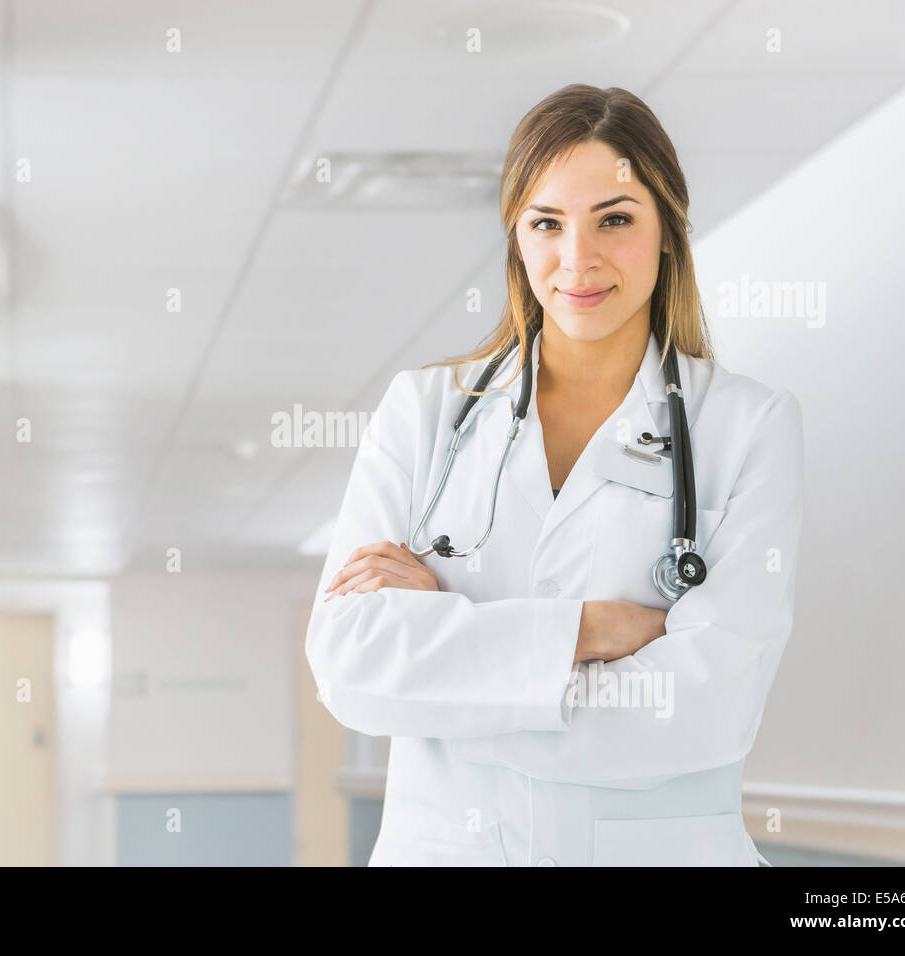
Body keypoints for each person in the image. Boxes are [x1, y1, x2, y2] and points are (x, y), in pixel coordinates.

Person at [303, 84, 804, 866]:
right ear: (517, 237)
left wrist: (450, 684)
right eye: (547, 223)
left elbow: (708, 707)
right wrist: (589, 631)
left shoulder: (747, 426)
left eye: (615, 219)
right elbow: (351, 667)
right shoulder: (427, 410)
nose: (579, 260)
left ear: (667, 232)